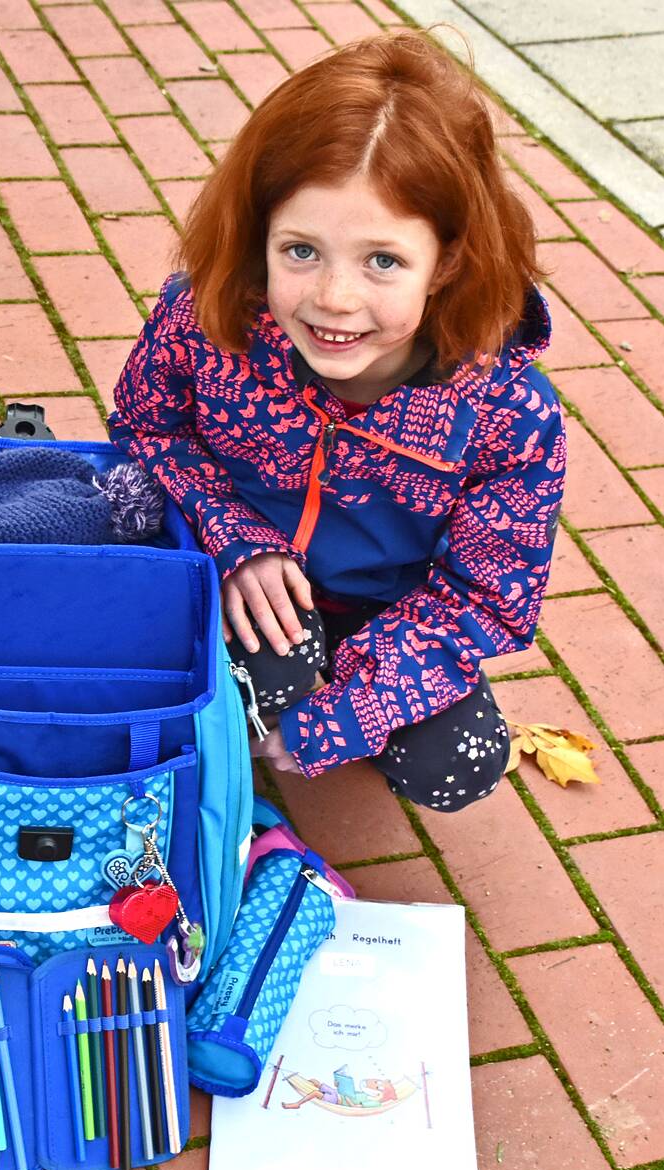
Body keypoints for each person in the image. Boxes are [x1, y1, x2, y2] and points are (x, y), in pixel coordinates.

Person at [107, 29, 567, 814]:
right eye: (301, 251)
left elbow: (488, 598)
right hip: (234, 571)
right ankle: (235, 712)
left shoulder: (506, 412)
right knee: (258, 673)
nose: (334, 300)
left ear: (447, 261)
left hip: (390, 617)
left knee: (458, 763)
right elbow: (147, 427)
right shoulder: (209, 319)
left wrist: (348, 715)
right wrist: (233, 536)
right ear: (260, 232)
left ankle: (293, 705)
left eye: (383, 260)